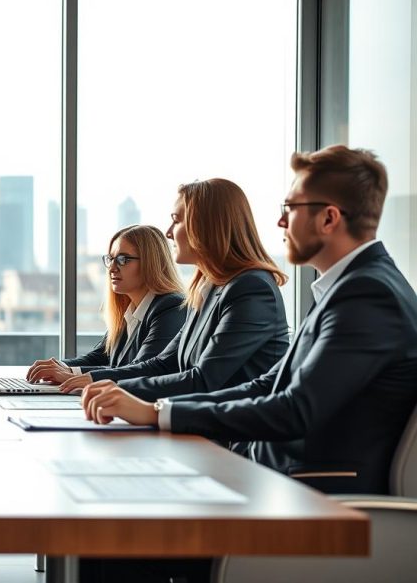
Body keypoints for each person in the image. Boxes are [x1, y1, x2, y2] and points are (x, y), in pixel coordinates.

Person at [83, 145, 417, 495]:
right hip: (278, 472)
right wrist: (156, 409)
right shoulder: (348, 286)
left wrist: (157, 413)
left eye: (290, 208)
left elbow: (293, 410)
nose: (280, 221)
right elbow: (267, 386)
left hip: (312, 491)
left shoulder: (365, 294)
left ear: (328, 218)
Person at [58, 178, 291, 401]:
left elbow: (203, 380)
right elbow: (164, 364)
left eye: (176, 220)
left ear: (206, 226)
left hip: (235, 440)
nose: (169, 232)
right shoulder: (206, 291)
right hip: (202, 430)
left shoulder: (251, 288)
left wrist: (111, 388)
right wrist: (91, 379)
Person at [26, 225, 186, 384]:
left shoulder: (171, 307)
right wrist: (59, 367)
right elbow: (100, 356)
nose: (112, 268)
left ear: (151, 262)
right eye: (111, 259)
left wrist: (73, 376)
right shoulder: (130, 311)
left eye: (123, 260)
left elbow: (144, 370)